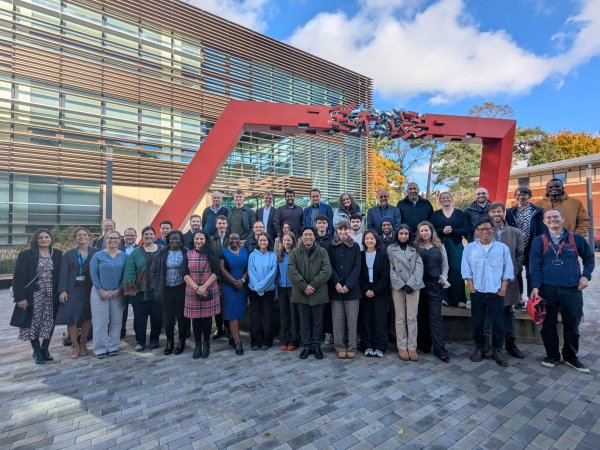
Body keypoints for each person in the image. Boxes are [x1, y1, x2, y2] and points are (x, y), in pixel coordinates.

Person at [530, 209, 595, 373]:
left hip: (572, 289)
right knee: (548, 325)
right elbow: (535, 265)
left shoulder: (576, 239)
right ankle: (552, 355)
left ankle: (571, 356)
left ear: (562, 219)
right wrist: (535, 287)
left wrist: (586, 276)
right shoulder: (539, 241)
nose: (552, 220)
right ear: (544, 222)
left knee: (572, 324)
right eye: (549, 218)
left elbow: (589, 259)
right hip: (547, 289)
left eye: (555, 217)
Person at [461, 217, 514, 367]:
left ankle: (497, 349)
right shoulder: (470, 248)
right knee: (478, 322)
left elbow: (508, 269)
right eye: (481, 229)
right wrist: (471, 288)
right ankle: (480, 347)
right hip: (477, 291)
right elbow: (466, 269)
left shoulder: (502, 248)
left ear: (493, 230)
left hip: (497, 291)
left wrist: (503, 288)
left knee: (498, 322)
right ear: (476, 232)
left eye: (488, 229)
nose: (485, 232)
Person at [11, 228, 63, 364]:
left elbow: (61, 275)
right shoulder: (26, 254)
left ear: (51, 239)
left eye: (47, 237)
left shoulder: (57, 254)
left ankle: (45, 348)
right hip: (33, 294)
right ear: (35, 239)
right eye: (40, 237)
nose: (44, 239)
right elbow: (18, 278)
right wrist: (20, 298)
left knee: (49, 321)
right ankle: (36, 351)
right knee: (33, 322)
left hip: (51, 294)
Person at [288, 226, 332, 360]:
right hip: (301, 293)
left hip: (318, 293)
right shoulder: (295, 252)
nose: (308, 237)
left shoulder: (322, 252)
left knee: (318, 322)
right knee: (304, 322)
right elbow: (291, 270)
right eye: (305, 235)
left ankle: (317, 346)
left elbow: (327, 270)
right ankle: (307, 346)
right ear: (301, 237)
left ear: (314, 236)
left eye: (310, 235)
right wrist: (304, 286)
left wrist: (312, 285)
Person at [488, 202, 525, 359]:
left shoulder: (515, 232)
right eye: (494, 211)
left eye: (499, 211)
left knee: (508, 311)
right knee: (489, 312)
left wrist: (512, 272)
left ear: (503, 213)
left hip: (508, 279)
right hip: (488, 278)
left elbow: (519, 254)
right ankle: (491, 345)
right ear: (489, 214)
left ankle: (511, 343)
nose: (496, 214)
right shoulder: (482, 231)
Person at [56, 227, 97, 359]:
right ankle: (74, 345)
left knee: (87, 317)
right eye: (79, 235)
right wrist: (62, 291)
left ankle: (83, 342)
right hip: (72, 290)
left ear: (89, 236)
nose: (82, 237)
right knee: (71, 318)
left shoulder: (96, 253)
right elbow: (63, 273)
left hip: (89, 289)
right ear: (75, 238)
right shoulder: (68, 254)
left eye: (84, 234)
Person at [414, 221, 450, 363]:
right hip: (419, 285)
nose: (424, 233)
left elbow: (445, 265)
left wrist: (444, 277)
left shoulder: (439, 247)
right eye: (421, 231)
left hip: (435, 285)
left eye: (426, 230)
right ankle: (424, 344)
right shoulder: (415, 247)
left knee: (435, 317)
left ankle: (440, 348)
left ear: (431, 231)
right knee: (421, 316)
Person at [387, 224, 424, 362]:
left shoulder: (415, 249)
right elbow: (390, 268)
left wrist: (411, 284)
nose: (403, 236)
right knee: (400, 316)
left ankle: (412, 347)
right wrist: (401, 284)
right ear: (397, 234)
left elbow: (419, 268)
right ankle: (402, 346)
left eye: (406, 234)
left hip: (413, 286)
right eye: (401, 233)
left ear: (409, 235)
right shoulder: (391, 249)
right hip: (398, 287)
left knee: (412, 317)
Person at [183, 230, 222, 359]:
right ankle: (197, 344)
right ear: (193, 239)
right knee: (196, 319)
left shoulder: (212, 253)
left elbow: (216, 272)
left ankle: (206, 344)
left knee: (206, 319)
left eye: (201, 239)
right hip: (192, 290)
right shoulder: (188, 254)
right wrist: (196, 288)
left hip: (209, 289)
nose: (199, 241)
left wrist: (204, 287)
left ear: (206, 240)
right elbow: (184, 273)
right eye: (196, 238)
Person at [123, 226, 162, 352]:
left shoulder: (162, 250)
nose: (149, 236)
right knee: (140, 318)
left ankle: (154, 339)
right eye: (146, 234)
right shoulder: (135, 253)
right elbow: (129, 270)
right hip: (140, 292)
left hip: (158, 291)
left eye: (151, 234)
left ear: (155, 236)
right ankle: (140, 341)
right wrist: (130, 288)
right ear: (142, 236)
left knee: (157, 317)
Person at [150, 230, 190, 355]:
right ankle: (170, 342)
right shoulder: (161, 253)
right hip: (166, 289)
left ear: (181, 240)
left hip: (181, 289)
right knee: (168, 318)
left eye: (177, 239)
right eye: (172, 239)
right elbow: (153, 271)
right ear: (168, 240)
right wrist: (153, 286)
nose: (174, 241)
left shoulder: (186, 252)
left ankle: (181, 341)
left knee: (181, 317)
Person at [89, 230, 127, 358]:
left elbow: (126, 274)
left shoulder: (124, 256)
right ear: (106, 239)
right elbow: (93, 274)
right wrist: (100, 290)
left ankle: (113, 346)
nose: (112, 240)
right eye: (110, 238)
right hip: (99, 292)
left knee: (116, 321)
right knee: (100, 322)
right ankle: (100, 349)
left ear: (120, 240)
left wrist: (120, 289)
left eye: (115, 238)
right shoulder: (98, 255)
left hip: (117, 293)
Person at [328, 220, 362, 359]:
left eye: (345, 230)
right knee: (338, 321)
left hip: (352, 290)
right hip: (335, 289)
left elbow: (357, 266)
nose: (343, 232)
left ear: (349, 230)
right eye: (340, 230)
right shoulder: (331, 246)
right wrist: (336, 282)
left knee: (352, 320)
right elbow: (328, 265)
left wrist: (348, 284)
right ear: (337, 230)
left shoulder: (355, 246)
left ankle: (352, 346)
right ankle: (340, 346)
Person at [430, 192, 469, 308]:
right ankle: (444, 298)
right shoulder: (436, 214)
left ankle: (459, 299)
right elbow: (431, 229)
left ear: (451, 199)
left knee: (457, 270)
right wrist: (443, 231)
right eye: (443, 198)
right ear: (440, 200)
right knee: (443, 270)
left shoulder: (459, 213)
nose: (445, 199)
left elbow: (465, 228)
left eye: (447, 197)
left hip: (456, 245)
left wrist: (452, 231)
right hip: (441, 245)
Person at [506, 186, 544, 303]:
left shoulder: (537, 211)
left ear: (529, 196)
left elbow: (541, 230)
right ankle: (518, 299)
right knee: (516, 273)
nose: (521, 197)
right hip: (516, 247)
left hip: (531, 247)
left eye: (524, 194)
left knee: (531, 273)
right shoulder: (510, 212)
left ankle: (532, 300)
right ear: (515, 196)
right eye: (518, 194)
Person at [359, 230, 390, 358]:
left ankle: (380, 346)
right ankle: (367, 346)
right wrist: (366, 289)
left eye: (372, 238)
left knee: (380, 319)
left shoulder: (382, 254)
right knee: (365, 319)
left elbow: (385, 274)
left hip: (379, 291)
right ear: (364, 241)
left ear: (376, 240)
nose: (369, 241)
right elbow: (359, 274)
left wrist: (376, 290)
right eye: (367, 239)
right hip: (365, 291)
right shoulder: (360, 255)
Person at [247, 233, 278, 351]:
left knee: (268, 316)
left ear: (268, 241)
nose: (262, 242)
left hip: (268, 290)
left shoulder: (273, 256)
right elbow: (251, 272)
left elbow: (272, 273)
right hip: (254, 290)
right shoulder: (252, 255)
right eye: (260, 240)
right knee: (255, 316)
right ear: (257, 242)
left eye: (265, 240)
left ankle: (267, 341)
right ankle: (255, 341)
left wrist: (262, 286)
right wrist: (258, 287)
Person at [219, 233, 248, 356]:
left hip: (242, 286)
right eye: (232, 238)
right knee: (233, 314)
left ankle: (232, 335)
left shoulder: (245, 251)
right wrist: (234, 281)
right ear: (228, 240)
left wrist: (242, 280)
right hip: (229, 287)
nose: (234, 240)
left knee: (239, 312)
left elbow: (248, 268)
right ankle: (238, 342)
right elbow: (222, 269)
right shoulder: (223, 252)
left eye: (237, 238)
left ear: (240, 240)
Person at [276, 232, 300, 351]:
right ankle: (283, 339)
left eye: (289, 240)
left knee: (293, 314)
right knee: (283, 314)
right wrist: (276, 292)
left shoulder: (296, 253)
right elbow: (277, 274)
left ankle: (293, 340)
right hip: (282, 288)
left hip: (293, 288)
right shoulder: (279, 254)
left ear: (293, 241)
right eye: (284, 240)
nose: (286, 242)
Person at [211, 215, 229, 339]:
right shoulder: (211, 239)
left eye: (223, 223)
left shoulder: (232, 238)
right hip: (215, 275)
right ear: (216, 225)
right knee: (217, 303)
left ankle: (228, 328)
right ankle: (219, 327)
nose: (221, 225)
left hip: (229, 274)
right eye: (219, 223)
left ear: (227, 225)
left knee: (227, 303)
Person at [120, 227, 138, 338]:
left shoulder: (141, 249)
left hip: (136, 284)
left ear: (136, 237)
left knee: (138, 309)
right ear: (124, 237)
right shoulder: (118, 249)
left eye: (132, 235)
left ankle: (138, 331)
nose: (130, 237)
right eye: (127, 235)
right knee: (122, 309)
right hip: (122, 284)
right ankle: (121, 330)